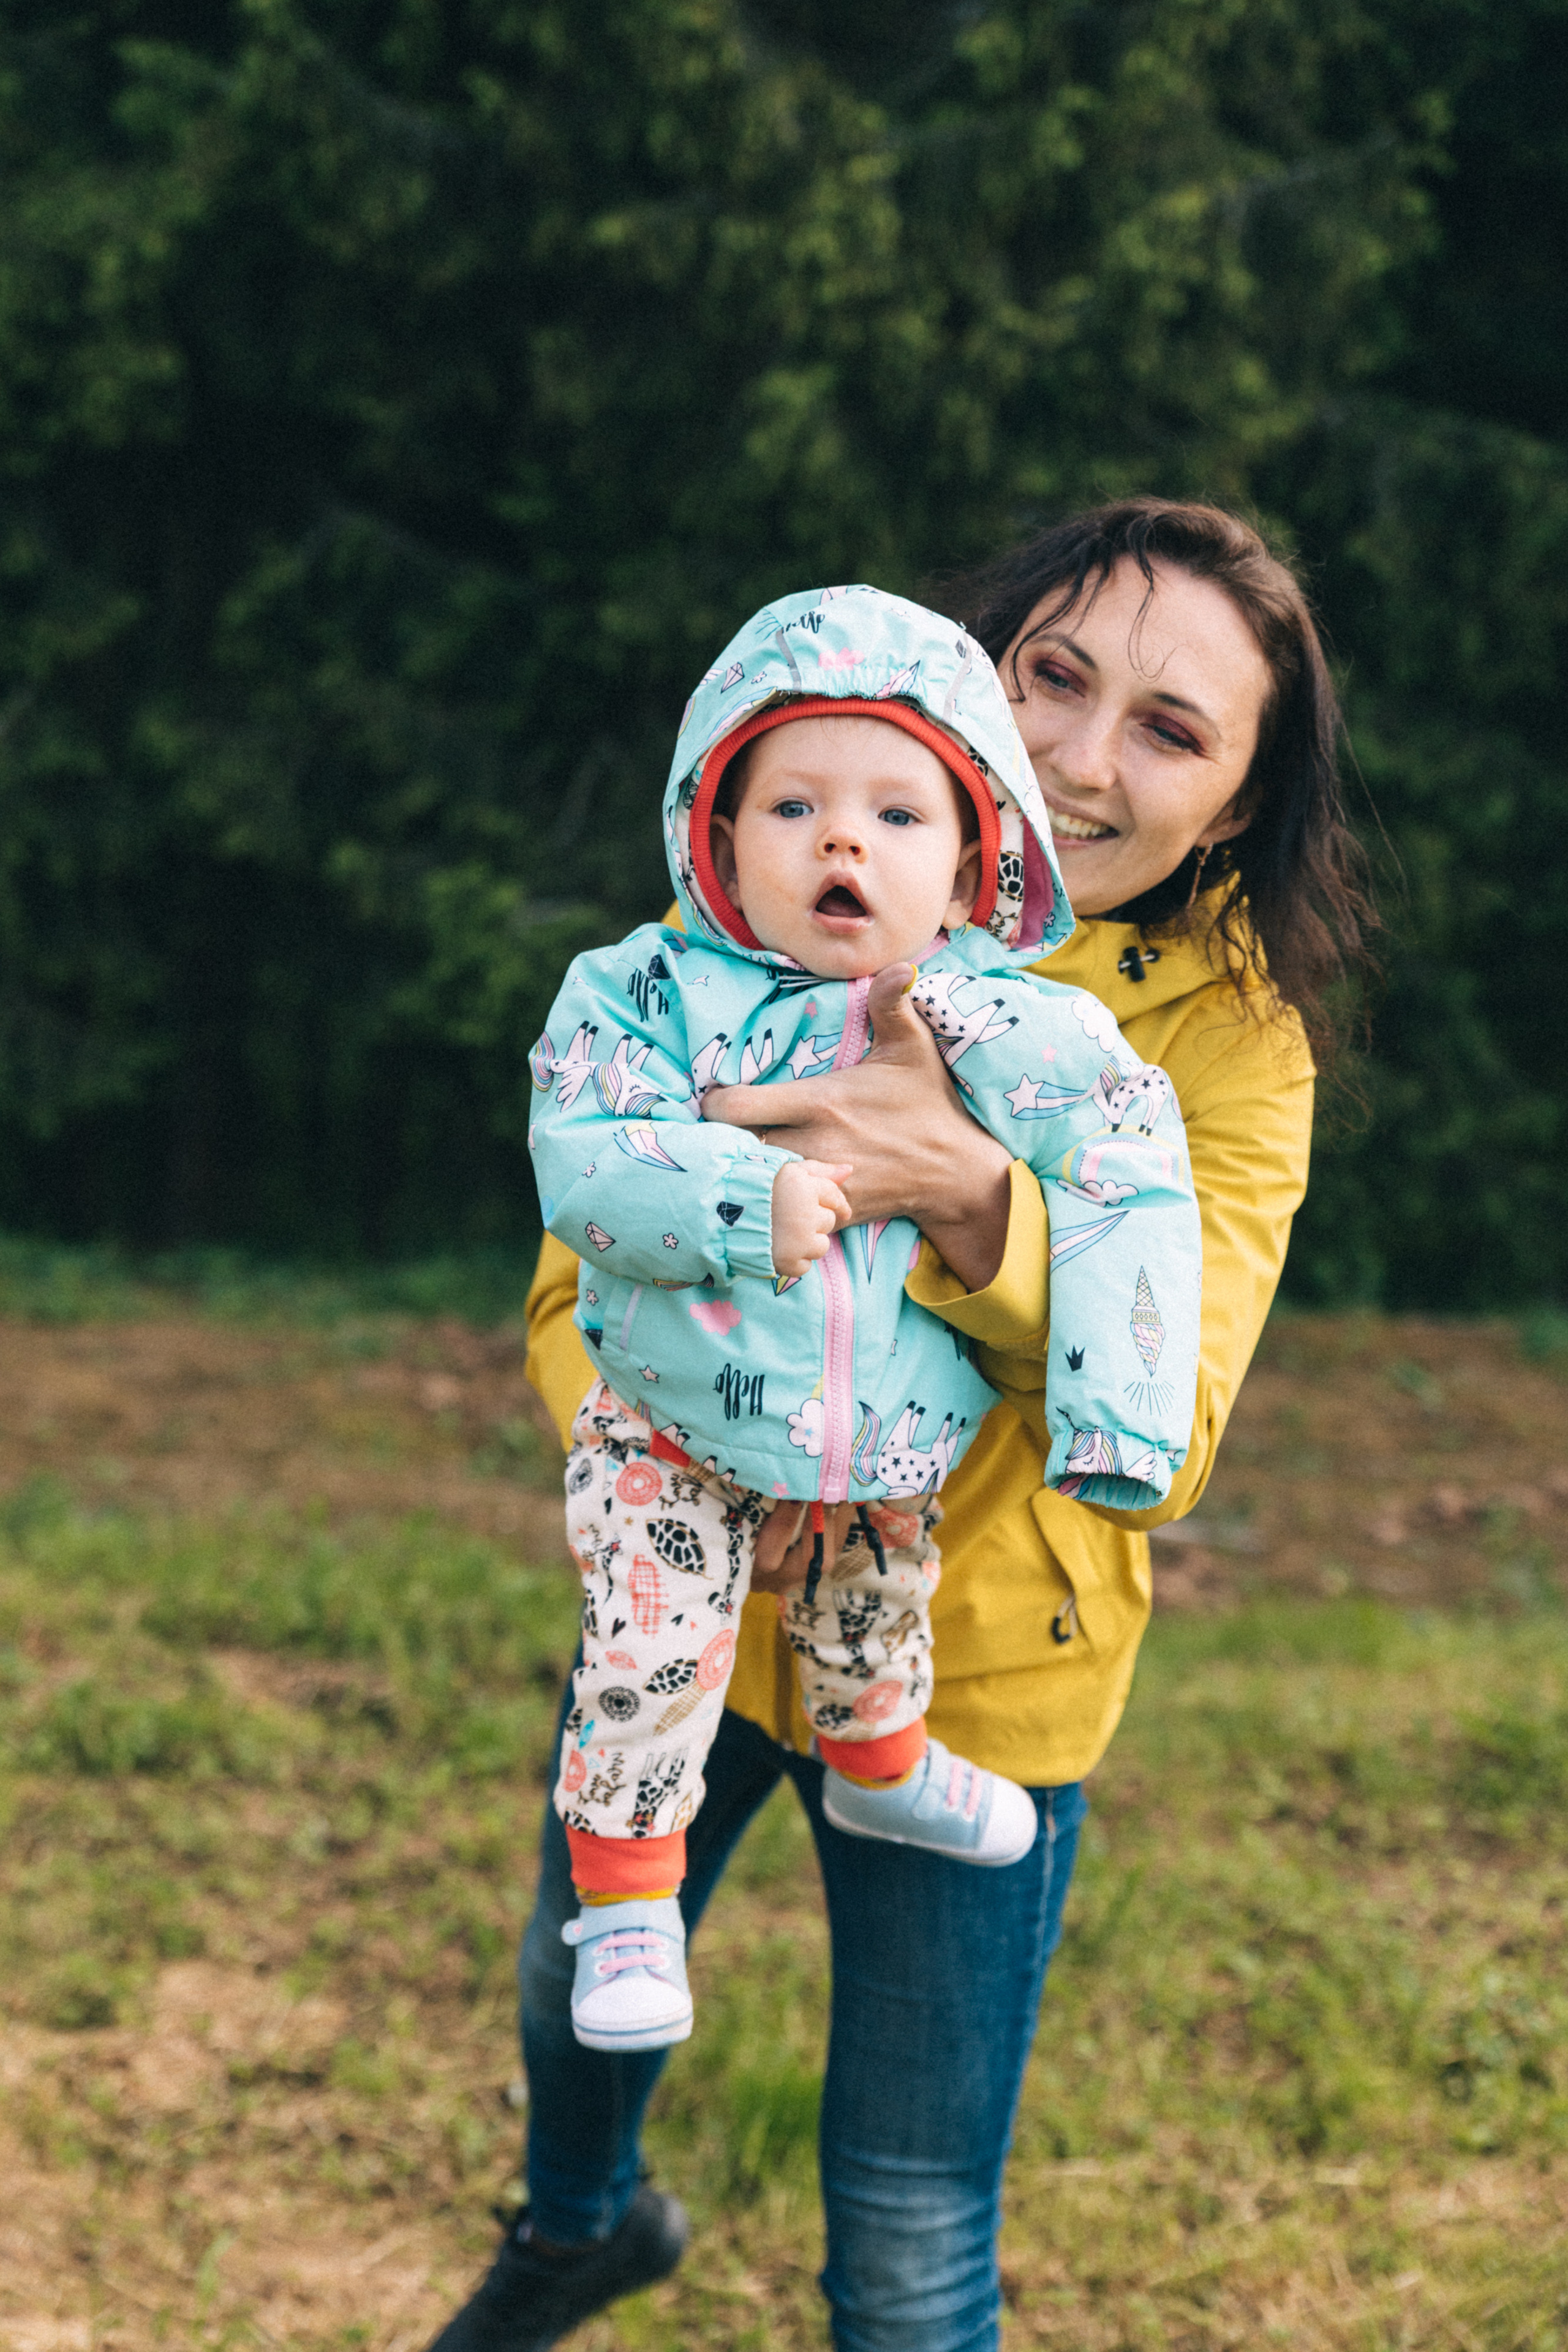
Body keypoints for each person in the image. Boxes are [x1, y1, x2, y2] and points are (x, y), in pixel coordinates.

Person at [426, 499, 1373, 2352]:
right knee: (573, 1994)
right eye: (1057, 679)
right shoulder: (764, 913)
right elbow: (578, 1281)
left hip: (980, 1678)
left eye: (1171, 731)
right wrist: (673, 1481)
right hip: (687, 1612)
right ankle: (578, 2231)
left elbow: (1166, 1436)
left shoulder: (1230, 1052)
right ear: (975, 671)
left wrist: (970, 1200)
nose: (1080, 757)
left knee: (915, 2227)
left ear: (1242, 803)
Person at [526, 585, 1200, 2056]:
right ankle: (627, 1900)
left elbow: (1125, 1184)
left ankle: (880, 1759)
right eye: (794, 806)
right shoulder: (649, 993)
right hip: (674, 1427)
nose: (842, 840)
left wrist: (1121, 1417)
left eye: (899, 816)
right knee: (647, 1652)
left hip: (890, 1439)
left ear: (969, 868)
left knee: (875, 1608)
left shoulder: (1013, 1027)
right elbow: (581, 1156)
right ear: (716, 834)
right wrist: (732, 1196)